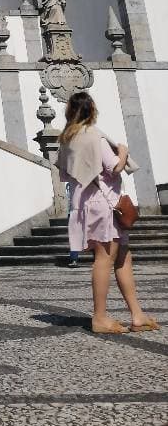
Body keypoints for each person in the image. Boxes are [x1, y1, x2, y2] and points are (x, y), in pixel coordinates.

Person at [58, 91, 159, 334]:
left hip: (88, 203)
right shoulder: (95, 137)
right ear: (92, 109)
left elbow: (67, 172)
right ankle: (100, 318)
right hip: (105, 205)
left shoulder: (68, 139)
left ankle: (137, 315)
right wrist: (123, 152)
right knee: (104, 259)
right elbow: (113, 167)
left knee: (123, 256)